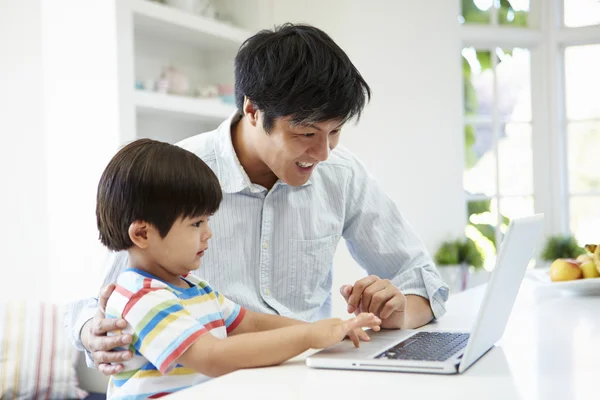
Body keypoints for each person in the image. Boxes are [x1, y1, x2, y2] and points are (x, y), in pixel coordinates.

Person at [65, 23, 449, 375]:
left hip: (310, 378)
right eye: (306, 134)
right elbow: (97, 301)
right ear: (252, 110)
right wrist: (90, 332)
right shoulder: (175, 177)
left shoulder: (342, 173)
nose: (324, 154)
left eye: (335, 132)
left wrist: (397, 311)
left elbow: (424, 282)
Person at [97, 138, 381, 398]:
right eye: (196, 224)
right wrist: (308, 336)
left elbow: (251, 323)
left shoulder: (194, 287)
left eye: (208, 221)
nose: (208, 233)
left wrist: (324, 330)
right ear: (143, 234)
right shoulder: (141, 298)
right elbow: (213, 356)